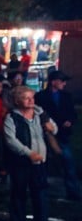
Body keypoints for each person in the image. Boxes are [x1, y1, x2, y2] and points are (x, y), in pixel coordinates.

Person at [4, 86, 58, 221]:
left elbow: (54, 129)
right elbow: (10, 140)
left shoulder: (41, 114)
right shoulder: (12, 118)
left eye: (32, 97)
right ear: (17, 100)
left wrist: (52, 128)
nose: (31, 101)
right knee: (19, 193)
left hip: (40, 163)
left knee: (40, 195)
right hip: (21, 163)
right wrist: (28, 153)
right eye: (26, 98)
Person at [35, 71, 80, 200]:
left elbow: (72, 113)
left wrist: (69, 121)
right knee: (44, 162)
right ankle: (41, 188)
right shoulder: (41, 97)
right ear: (54, 82)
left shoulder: (66, 96)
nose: (64, 84)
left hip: (62, 134)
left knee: (68, 162)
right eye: (62, 81)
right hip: (45, 134)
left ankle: (72, 190)